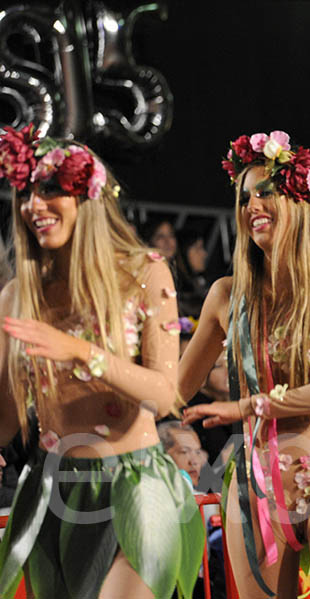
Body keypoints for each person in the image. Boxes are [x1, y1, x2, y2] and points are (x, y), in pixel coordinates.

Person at [0, 124, 204, 599]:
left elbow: (162, 393)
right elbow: (7, 418)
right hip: (51, 490)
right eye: (26, 192)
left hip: (135, 485)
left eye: (51, 189)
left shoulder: (144, 273)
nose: (35, 205)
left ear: (87, 197)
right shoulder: (16, 296)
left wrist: (81, 351)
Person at [178, 130, 310, 598]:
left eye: (265, 193)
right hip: (255, 487)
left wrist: (249, 407)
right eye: (244, 197)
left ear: (301, 202)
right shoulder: (226, 296)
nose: (252, 206)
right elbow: (172, 390)